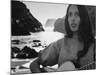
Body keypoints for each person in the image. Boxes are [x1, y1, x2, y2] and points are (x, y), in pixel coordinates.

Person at [30, 4, 96, 73]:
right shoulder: (60, 44)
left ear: (84, 18)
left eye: (77, 14)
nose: (72, 19)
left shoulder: (94, 46)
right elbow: (34, 64)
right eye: (70, 15)